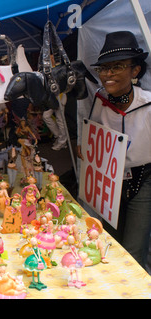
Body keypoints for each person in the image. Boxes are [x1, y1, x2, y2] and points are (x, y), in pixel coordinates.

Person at [77, 31, 151, 271]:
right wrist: (86, 148)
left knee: (134, 249)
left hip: (143, 179)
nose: (107, 75)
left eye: (116, 67)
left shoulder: (148, 104)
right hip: (109, 181)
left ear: (135, 71)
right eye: (103, 69)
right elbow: (94, 131)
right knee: (109, 241)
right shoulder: (100, 99)